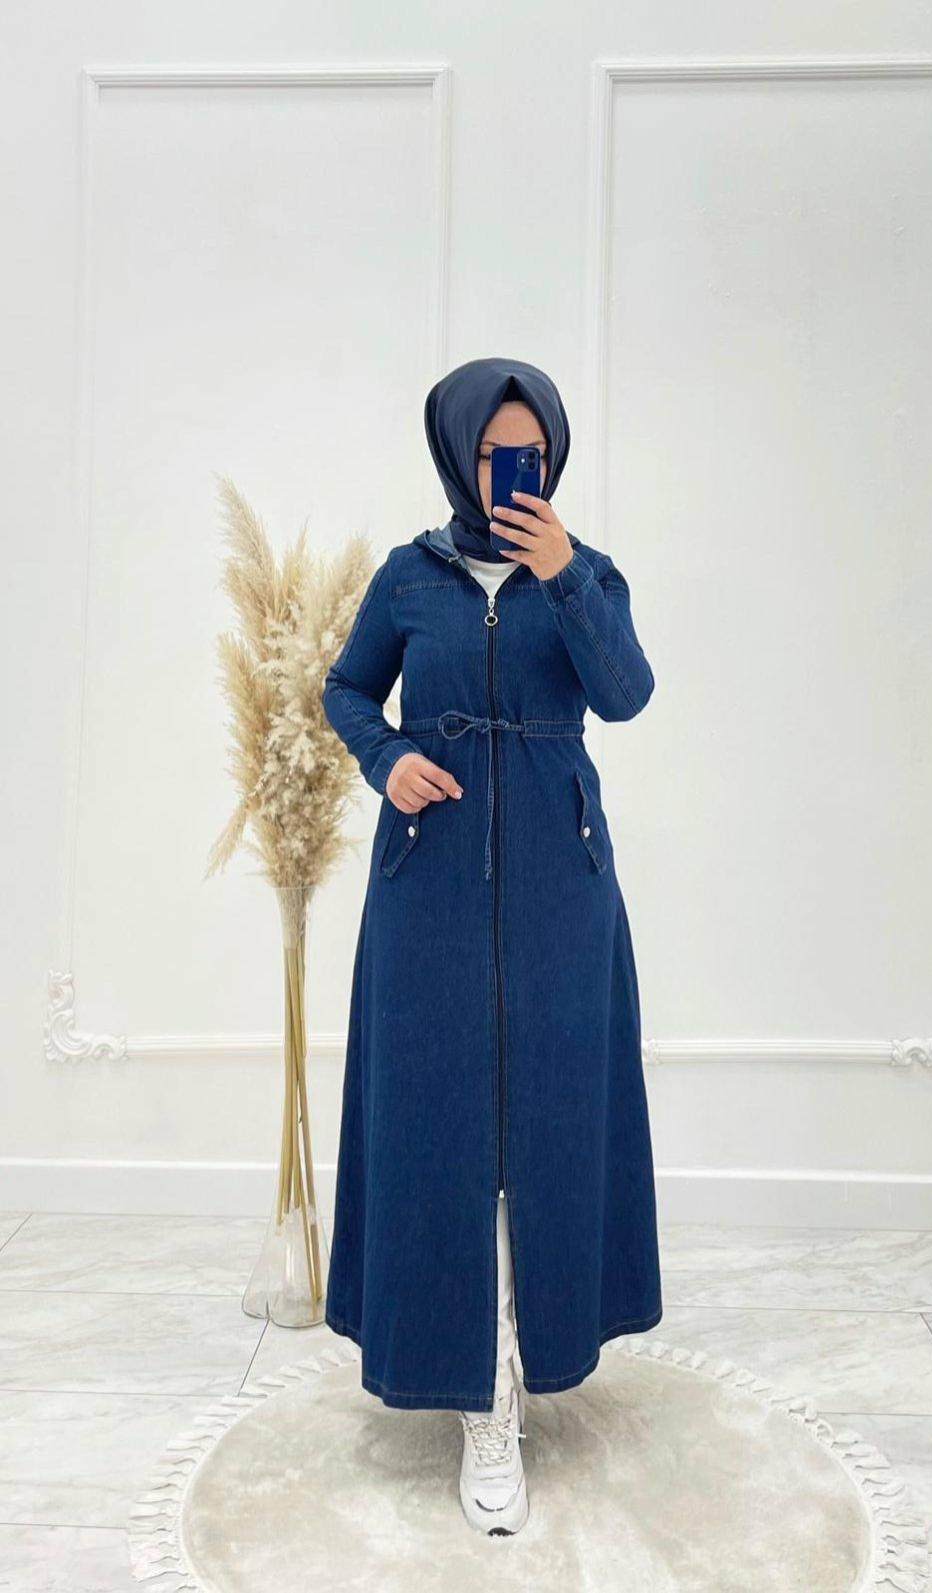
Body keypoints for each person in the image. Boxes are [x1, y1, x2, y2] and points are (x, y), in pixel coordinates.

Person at [321, 356, 662, 1537]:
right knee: (438, 1125)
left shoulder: (586, 570)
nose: (510, 471)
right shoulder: (408, 577)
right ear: (455, 452)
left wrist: (563, 574)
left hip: (564, 886)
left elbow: (625, 695)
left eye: (531, 453)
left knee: (552, 1124)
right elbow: (346, 690)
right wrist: (387, 760)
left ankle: (536, 1353)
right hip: (426, 883)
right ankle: (474, 1396)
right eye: (489, 452)